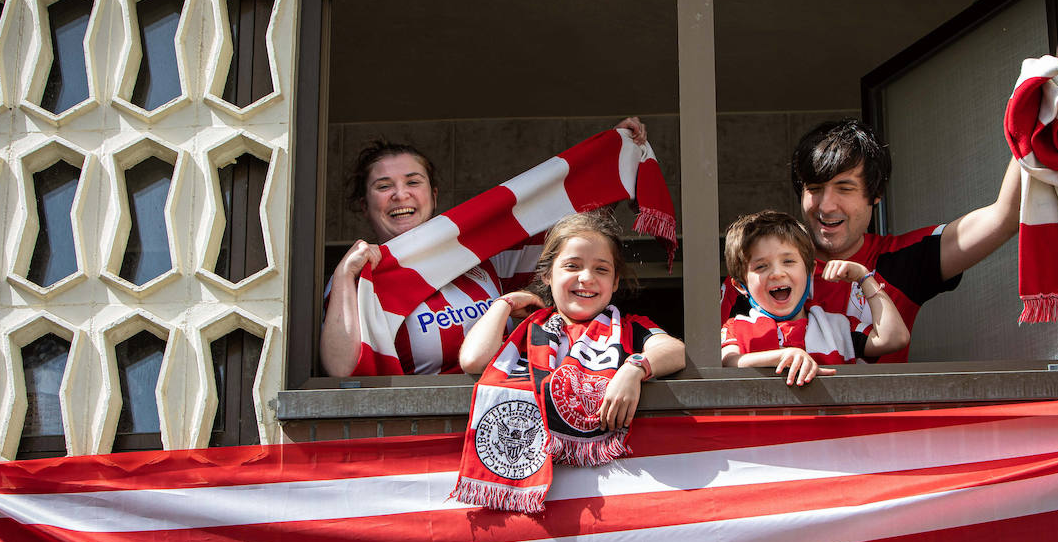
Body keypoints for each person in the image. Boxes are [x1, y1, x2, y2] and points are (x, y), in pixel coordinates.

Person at [321, 119, 650, 377]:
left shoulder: (480, 256)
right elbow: (340, 369)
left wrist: (612, 155)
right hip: (424, 431)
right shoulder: (361, 278)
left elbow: (569, 239)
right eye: (383, 186)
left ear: (433, 195)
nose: (400, 194)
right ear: (365, 206)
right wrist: (342, 274)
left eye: (412, 181)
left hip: (503, 419)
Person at [722, 118, 1022, 363]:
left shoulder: (905, 258)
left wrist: (1027, 131)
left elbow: (1005, 217)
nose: (826, 206)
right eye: (815, 188)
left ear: (875, 194)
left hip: (878, 433)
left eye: (844, 188)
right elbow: (710, 366)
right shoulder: (755, 274)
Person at [459, 211, 686, 428]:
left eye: (601, 269)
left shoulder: (630, 328)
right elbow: (473, 359)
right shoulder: (527, 332)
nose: (587, 278)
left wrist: (634, 370)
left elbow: (676, 352)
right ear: (547, 274)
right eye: (572, 266)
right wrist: (504, 304)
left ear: (615, 281)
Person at [720, 210, 909, 385]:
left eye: (788, 261)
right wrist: (784, 356)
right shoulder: (736, 327)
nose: (777, 273)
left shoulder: (839, 327)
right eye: (761, 266)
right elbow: (729, 361)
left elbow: (895, 338)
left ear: (810, 272)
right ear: (739, 285)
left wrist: (864, 277)